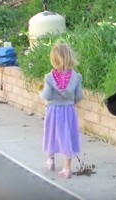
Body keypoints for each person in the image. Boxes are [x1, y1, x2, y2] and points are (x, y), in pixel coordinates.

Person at [39, 41, 83, 178]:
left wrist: (40, 90)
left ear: (53, 59)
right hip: (68, 111)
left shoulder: (49, 77)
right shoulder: (76, 77)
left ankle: (51, 160)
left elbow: (46, 95)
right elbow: (79, 96)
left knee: (51, 134)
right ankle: (67, 168)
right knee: (66, 137)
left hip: (53, 111)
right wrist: (71, 102)